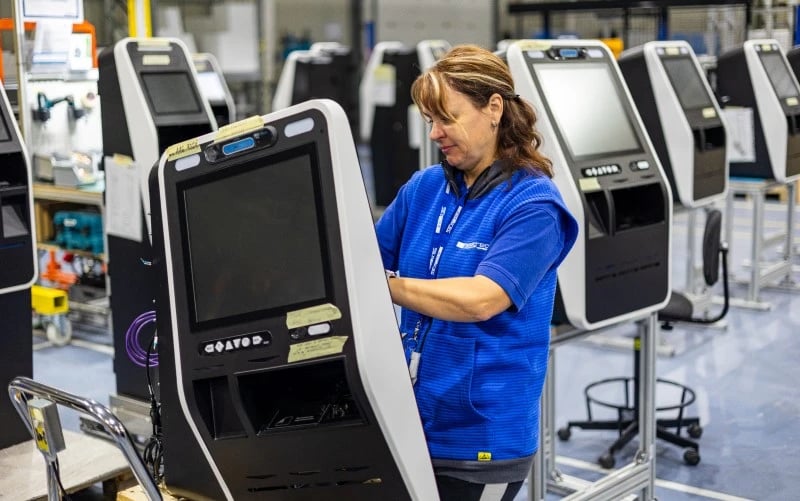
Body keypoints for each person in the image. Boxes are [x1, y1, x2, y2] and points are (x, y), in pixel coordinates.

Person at [374, 44, 578, 500]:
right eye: (430, 120)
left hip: (482, 442)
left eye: (447, 117)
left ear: (493, 108)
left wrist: (386, 287)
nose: (435, 133)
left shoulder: (534, 206)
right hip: (414, 422)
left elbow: (482, 299)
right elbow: (364, 256)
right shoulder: (425, 188)